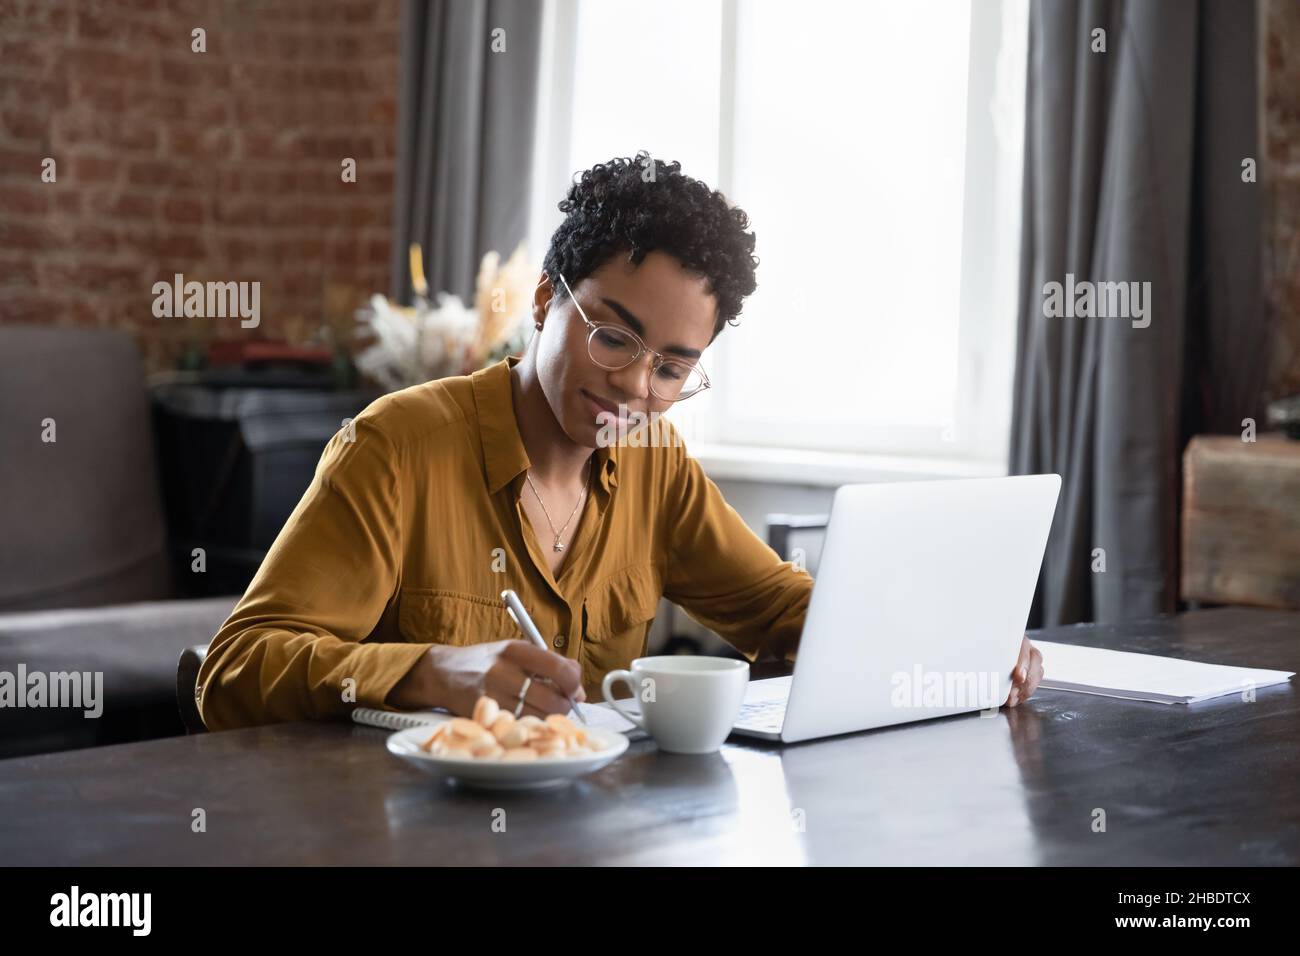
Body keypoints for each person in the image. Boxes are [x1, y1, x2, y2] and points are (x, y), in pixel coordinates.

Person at [197, 152, 1043, 731]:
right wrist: (431, 673)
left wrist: (948, 642)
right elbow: (230, 671)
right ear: (542, 303)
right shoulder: (400, 446)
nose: (638, 388)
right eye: (613, 337)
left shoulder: (654, 463)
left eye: (675, 368)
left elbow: (777, 610)